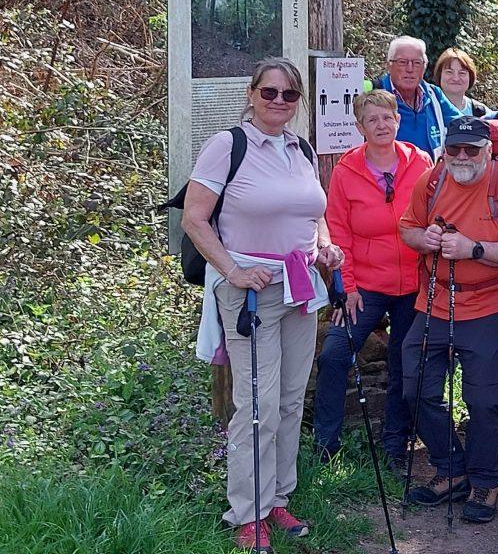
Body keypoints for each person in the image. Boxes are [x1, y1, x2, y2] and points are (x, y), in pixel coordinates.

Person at [184, 58, 343, 551]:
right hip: (250, 292)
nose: (279, 101)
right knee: (258, 405)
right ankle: (248, 513)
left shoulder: (301, 148)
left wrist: (324, 245)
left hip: (299, 287)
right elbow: (194, 219)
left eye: (289, 94)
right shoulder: (227, 145)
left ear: (298, 102)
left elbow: (313, 213)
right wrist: (233, 271)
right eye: (269, 92)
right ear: (251, 94)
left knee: (291, 399)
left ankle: (277, 498)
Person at [398, 116, 498, 525]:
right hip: (434, 299)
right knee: (415, 386)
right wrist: (425, 239)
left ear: (487, 151)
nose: (461, 156)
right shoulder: (432, 181)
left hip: (489, 302)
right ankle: (451, 468)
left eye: (471, 149)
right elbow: (408, 228)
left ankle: (485, 480)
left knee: (485, 399)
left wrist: (473, 249)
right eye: (454, 148)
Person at [314, 90, 433, 468]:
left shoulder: (421, 162)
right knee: (334, 354)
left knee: (404, 361)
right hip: (364, 285)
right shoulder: (347, 171)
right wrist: (346, 287)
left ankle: (396, 444)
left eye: (387, 118)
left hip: (414, 283)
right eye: (372, 120)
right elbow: (338, 232)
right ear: (359, 127)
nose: (381, 125)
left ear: (398, 120)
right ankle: (326, 447)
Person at [373, 36, 461, 156]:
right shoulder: (374, 96)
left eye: (417, 63)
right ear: (389, 65)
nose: (410, 69)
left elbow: (462, 125)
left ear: (424, 67)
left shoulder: (433, 95)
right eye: (402, 62)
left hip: (430, 167)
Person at [434, 48, 489, 118]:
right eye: (449, 72)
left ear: (470, 77)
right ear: (439, 75)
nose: (456, 78)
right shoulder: (428, 109)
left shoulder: (482, 113)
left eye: (462, 73)